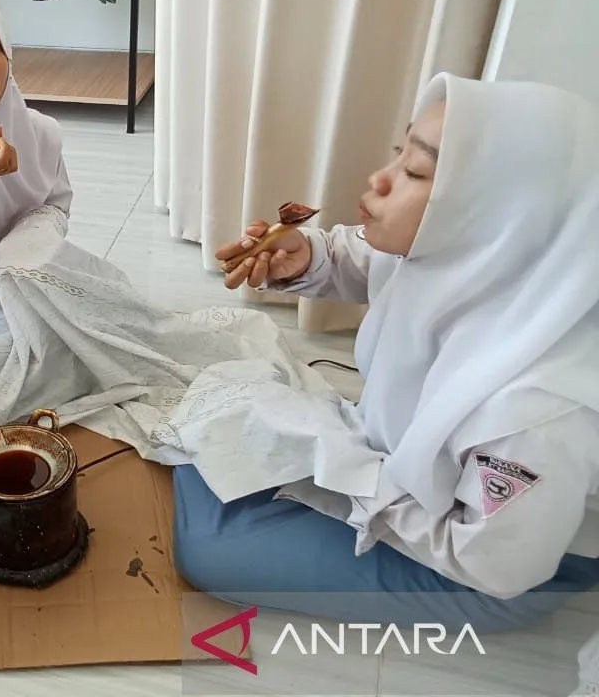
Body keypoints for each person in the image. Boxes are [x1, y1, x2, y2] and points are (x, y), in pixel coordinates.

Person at [0, 0, 360, 488]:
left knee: (91, 356)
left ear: (8, 56)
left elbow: (54, 207)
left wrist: (21, 254)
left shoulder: (36, 132)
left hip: (24, 287)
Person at [173, 73, 599, 633]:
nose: (380, 177)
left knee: (211, 548)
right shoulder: (475, 259)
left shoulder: (541, 411)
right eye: (401, 152)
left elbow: (495, 563)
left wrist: (355, 478)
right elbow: (363, 256)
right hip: (405, 472)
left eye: (416, 171)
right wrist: (304, 256)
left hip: (478, 566)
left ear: (502, 213)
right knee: (221, 419)